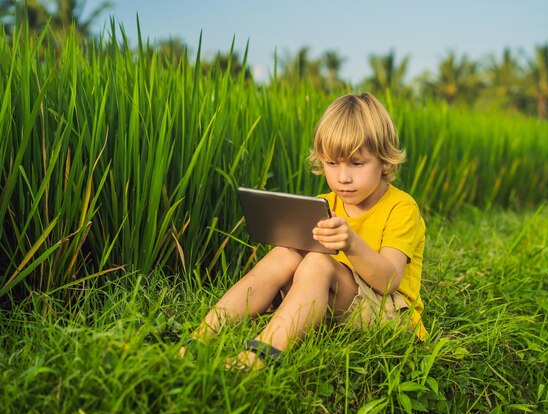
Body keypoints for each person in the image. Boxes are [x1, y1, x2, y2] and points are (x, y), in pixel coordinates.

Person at [182, 92, 427, 370]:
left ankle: (261, 354)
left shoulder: (401, 207)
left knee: (319, 263)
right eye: (332, 163)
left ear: (384, 161)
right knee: (284, 254)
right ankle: (200, 337)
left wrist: (351, 244)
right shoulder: (326, 203)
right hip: (344, 303)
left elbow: (389, 281)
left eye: (357, 163)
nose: (343, 176)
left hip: (392, 317)